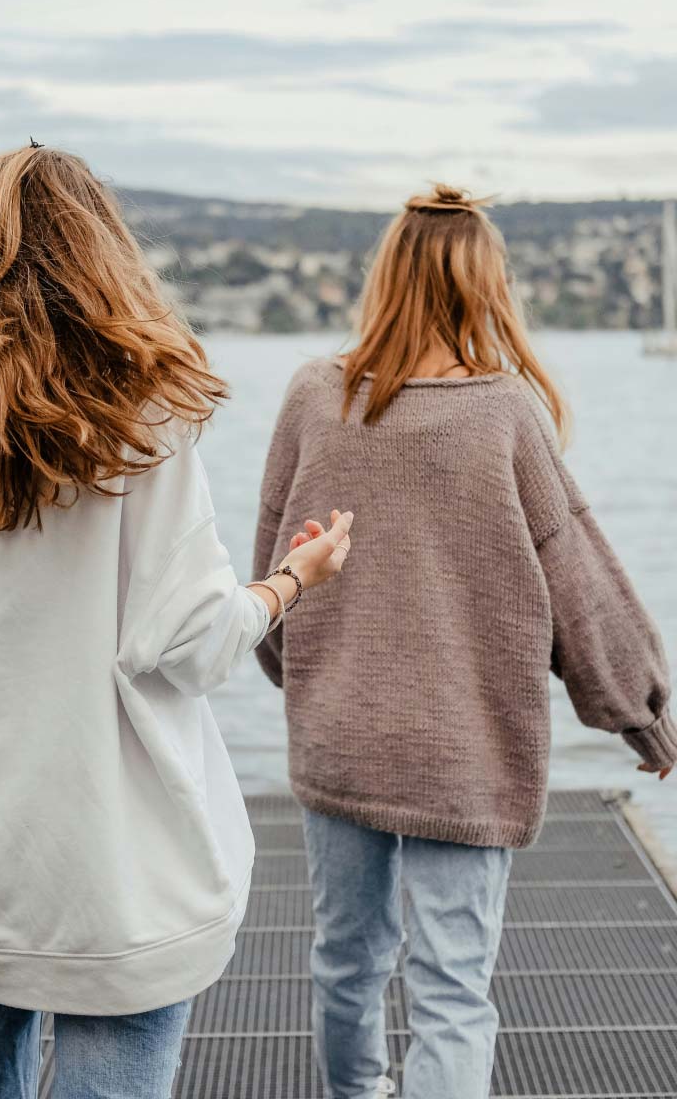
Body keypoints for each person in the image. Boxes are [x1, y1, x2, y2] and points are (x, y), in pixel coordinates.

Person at [0, 143, 353, 1099]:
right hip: (117, 885)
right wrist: (290, 583)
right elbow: (190, 646)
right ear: (102, 257)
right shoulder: (144, 431)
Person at [253, 183, 675, 1099]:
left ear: (387, 276)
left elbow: (271, 563)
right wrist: (640, 714)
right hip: (466, 746)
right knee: (451, 989)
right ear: (488, 285)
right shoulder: (504, 412)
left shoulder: (314, 397)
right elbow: (579, 583)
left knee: (346, 959)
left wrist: (304, 678)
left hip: (341, 732)